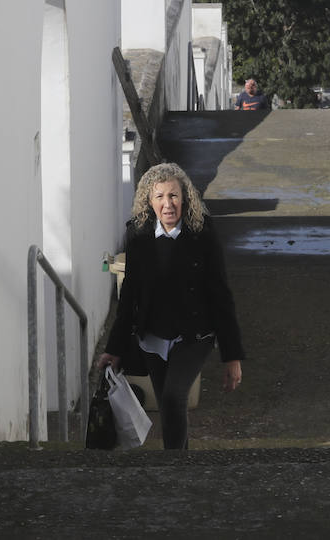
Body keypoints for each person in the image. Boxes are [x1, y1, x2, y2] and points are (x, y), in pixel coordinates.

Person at [97, 162, 245, 450]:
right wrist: (114, 350)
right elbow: (129, 298)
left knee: (174, 398)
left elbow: (221, 295)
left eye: (174, 195)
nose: (168, 204)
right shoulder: (138, 236)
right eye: (160, 196)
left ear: (185, 198)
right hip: (152, 336)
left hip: (194, 335)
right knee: (168, 408)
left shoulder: (202, 233)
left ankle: (173, 470)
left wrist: (232, 355)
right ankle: (181, 466)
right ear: (149, 202)